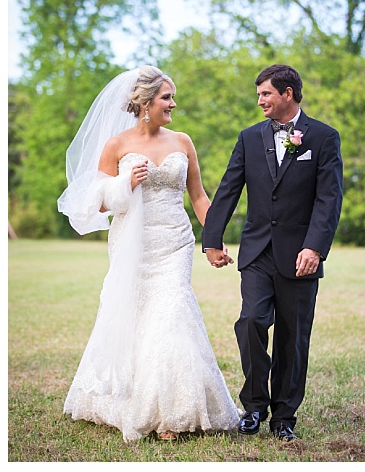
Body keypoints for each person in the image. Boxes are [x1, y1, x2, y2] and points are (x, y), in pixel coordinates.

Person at [57, 65, 240, 442]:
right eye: (167, 98)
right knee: (139, 319)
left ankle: (173, 412)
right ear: (144, 103)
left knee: (171, 316)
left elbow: (199, 196)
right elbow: (98, 203)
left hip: (175, 242)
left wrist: (214, 237)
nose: (173, 103)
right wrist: (126, 182)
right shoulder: (117, 146)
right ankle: (141, 402)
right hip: (133, 246)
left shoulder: (182, 142)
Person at [202, 64, 342, 442]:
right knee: (251, 321)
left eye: (266, 93)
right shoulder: (249, 138)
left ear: (288, 94)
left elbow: (329, 199)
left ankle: (283, 417)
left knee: (293, 338)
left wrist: (315, 246)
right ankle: (253, 407)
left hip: (301, 255)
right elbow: (229, 188)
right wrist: (211, 239)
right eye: (259, 94)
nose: (260, 100)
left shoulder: (325, 137)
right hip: (258, 250)